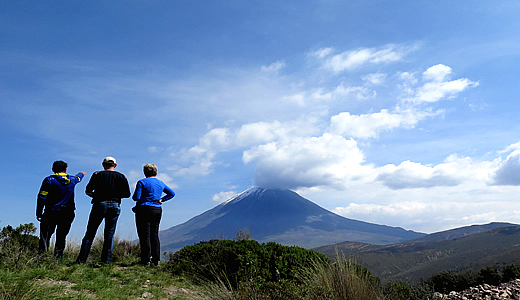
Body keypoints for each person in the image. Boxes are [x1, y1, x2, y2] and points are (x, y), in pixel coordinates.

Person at [76, 157, 130, 264]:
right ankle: (106, 261)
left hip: (99, 204)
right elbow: (127, 194)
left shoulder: (97, 174)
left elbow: (88, 190)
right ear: (115, 165)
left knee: (90, 232)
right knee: (109, 234)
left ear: (103, 164)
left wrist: (97, 195)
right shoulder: (121, 176)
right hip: (115, 204)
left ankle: (81, 260)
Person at [36, 160, 85, 260]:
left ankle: (42, 257)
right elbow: (79, 177)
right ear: (65, 169)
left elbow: (42, 197)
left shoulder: (49, 180)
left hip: (51, 212)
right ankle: (58, 258)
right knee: (61, 236)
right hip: (67, 212)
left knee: (45, 235)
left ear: (53, 169)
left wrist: (39, 213)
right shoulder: (72, 180)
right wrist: (82, 173)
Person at [132, 163, 175, 265]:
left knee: (144, 235)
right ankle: (156, 260)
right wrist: (161, 200)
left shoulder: (142, 182)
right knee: (154, 234)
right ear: (156, 172)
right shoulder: (160, 183)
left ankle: (145, 259)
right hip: (157, 209)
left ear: (145, 172)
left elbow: (136, 197)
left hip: (143, 209)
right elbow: (172, 193)